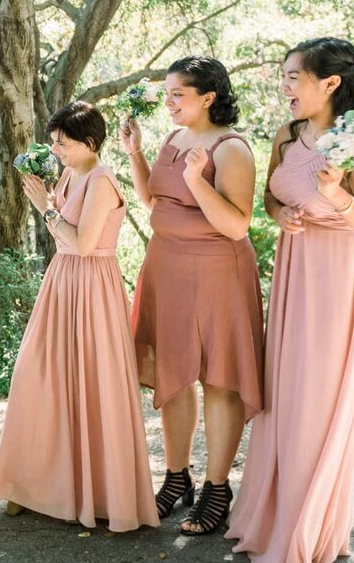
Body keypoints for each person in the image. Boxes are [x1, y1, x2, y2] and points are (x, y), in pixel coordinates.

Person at [226, 38, 354, 562]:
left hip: (340, 275)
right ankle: (272, 514)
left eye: (294, 76)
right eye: (285, 76)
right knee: (287, 393)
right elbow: (274, 195)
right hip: (295, 270)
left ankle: (310, 524)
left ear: (330, 83)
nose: (285, 86)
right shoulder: (288, 135)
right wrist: (278, 214)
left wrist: (339, 195)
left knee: (319, 398)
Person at [0, 102, 158, 532]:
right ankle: (33, 485)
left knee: (91, 384)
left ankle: (96, 492)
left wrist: (46, 207)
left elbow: (82, 243)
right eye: (54, 141)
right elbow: (61, 235)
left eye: (63, 142)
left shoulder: (101, 180)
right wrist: (50, 207)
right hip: (62, 282)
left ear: (89, 141)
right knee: (38, 375)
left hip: (92, 285)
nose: (56, 149)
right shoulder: (69, 173)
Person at [121, 55, 263, 534]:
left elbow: (236, 225)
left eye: (177, 94)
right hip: (167, 267)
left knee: (218, 379)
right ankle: (177, 478)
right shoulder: (173, 138)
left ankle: (217, 488)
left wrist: (195, 183)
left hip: (217, 271)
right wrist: (137, 153)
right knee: (173, 373)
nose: (168, 101)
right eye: (167, 93)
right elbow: (153, 201)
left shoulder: (231, 149)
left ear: (208, 97)